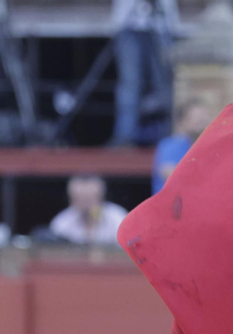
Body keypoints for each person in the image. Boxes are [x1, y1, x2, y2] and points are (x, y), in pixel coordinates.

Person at [110, 0, 178, 146]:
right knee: (130, 84)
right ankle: (124, 137)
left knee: (165, 85)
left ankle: (169, 134)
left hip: (161, 25)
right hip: (129, 23)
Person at [48, 173, 130, 245]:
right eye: (79, 198)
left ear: (101, 197)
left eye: (89, 199)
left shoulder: (118, 218)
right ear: (71, 200)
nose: (85, 205)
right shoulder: (61, 223)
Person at [152, 99, 209, 194]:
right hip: (170, 206)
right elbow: (170, 175)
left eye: (203, 117)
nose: (202, 122)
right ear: (181, 122)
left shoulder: (204, 147)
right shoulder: (171, 145)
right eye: (196, 118)